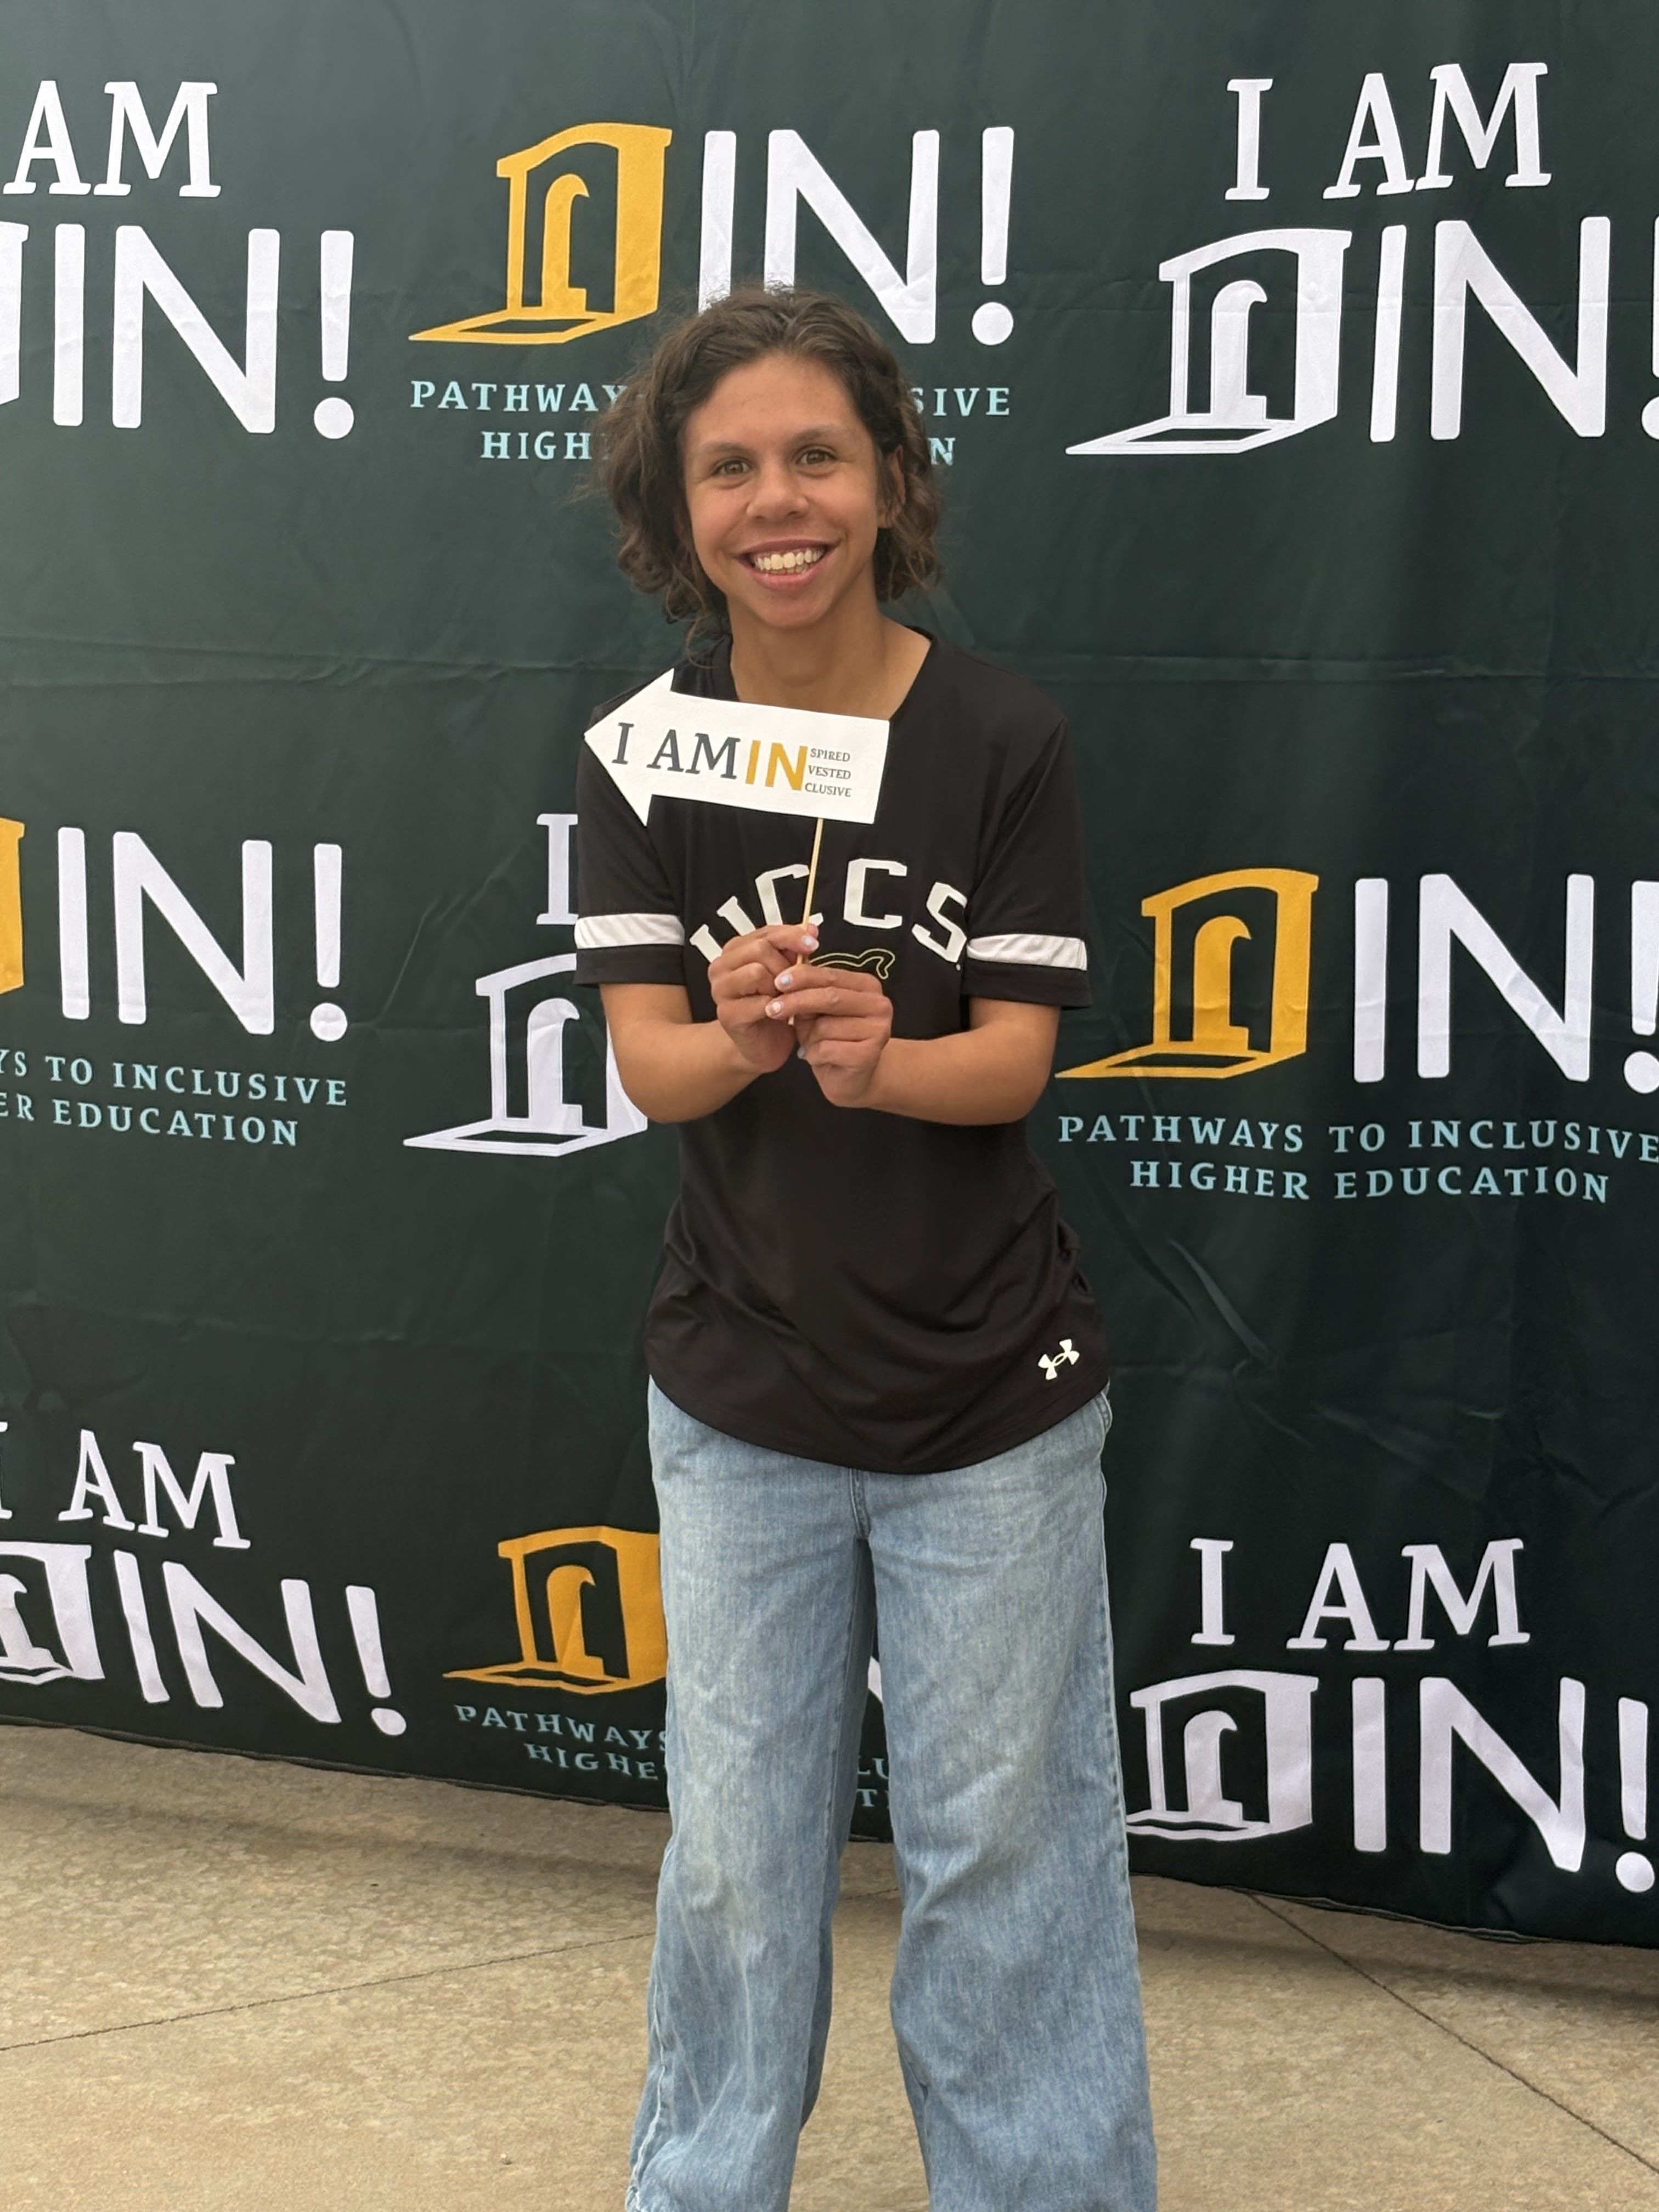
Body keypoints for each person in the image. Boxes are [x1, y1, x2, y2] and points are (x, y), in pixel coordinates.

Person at [574, 285, 1156, 2212]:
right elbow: (652, 1064)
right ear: (678, 508)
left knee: (1010, 1853)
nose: (778, 500)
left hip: (993, 1398)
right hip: (745, 1394)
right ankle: (702, 2188)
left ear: (892, 476)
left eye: (818, 452)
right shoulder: (648, 751)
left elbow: (1009, 1068)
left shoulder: (1000, 732)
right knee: (740, 1859)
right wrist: (741, 1034)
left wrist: (878, 1058)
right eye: (727, 465)